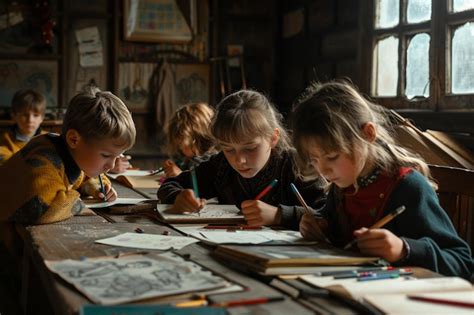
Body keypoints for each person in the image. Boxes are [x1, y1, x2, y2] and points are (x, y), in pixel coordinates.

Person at [291, 80, 472, 278]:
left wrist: (404, 249)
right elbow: (331, 225)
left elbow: (461, 262)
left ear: (368, 133)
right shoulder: (343, 183)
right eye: (314, 159)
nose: (323, 169)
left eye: (332, 156)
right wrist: (319, 225)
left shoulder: (407, 188)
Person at [158, 90, 325, 229]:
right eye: (229, 149)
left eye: (250, 148)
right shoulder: (221, 166)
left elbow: (328, 214)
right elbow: (169, 184)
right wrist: (179, 197)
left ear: (273, 138)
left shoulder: (298, 165)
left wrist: (279, 215)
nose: (239, 160)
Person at [0, 90, 136, 224]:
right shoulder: (44, 160)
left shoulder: (71, 153)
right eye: (106, 155)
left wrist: (94, 188)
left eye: (116, 156)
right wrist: (78, 201)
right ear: (74, 139)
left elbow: (82, 177)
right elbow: (43, 210)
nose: (111, 166)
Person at [162, 102, 217, 177]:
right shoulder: (190, 159)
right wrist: (174, 166)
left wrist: (181, 175)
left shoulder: (213, 161)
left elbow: (206, 183)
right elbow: (185, 168)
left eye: (181, 144)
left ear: (197, 140)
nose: (181, 149)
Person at [0, 89, 46, 165]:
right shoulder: (5, 139)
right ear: (14, 116)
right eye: (25, 115)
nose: (30, 120)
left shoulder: (49, 139)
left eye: (36, 115)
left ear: (42, 118)